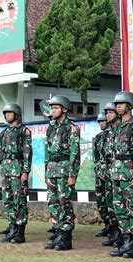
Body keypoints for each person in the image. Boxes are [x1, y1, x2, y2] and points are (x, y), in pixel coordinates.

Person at [44, 95, 80, 251]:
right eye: (52, 108)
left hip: (65, 169)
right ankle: (58, 232)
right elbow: (47, 150)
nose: (53, 110)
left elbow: (75, 153)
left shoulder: (72, 128)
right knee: (53, 203)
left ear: (64, 109)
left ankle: (66, 237)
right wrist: (46, 171)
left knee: (64, 202)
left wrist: (73, 175)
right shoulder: (51, 127)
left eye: (56, 108)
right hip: (52, 168)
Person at [0, 103, 32, 244]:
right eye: (5, 113)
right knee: (8, 200)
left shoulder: (24, 131)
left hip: (18, 170)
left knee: (20, 200)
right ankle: (12, 228)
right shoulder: (4, 132)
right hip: (6, 170)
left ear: (16, 114)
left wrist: (25, 172)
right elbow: (0, 150)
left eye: (9, 113)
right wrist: (2, 164)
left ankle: (20, 232)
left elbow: (27, 152)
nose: (6, 115)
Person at [109, 91, 133, 258]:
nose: (117, 106)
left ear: (130, 106)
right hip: (117, 173)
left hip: (130, 173)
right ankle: (126, 242)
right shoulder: (117, 127)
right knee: (120, 209)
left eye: (121, 103)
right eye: (116, 103)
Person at [101, 102, 121, 247]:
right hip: (110, 172)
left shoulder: (123, 129)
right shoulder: (110, 132)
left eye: (111, 112)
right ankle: (116, 233)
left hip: (123, 172)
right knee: (111, 204)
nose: (108, 115)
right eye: (106, 112)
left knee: (125, 206)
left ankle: (125, 236)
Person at [93, 112, 111, 237]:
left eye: (103, 121)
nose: (101, 123)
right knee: (100, 200)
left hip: (110, 173)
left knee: (111, 200)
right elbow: (95, 156)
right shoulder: (98, 137)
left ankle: (114, 227)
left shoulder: (113, 135)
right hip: (99, 172)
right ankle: (107, 224)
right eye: (99, 121)